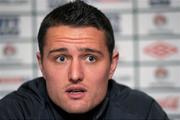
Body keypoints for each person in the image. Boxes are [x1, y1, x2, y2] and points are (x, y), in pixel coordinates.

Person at [0, 0, 169, 120]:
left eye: (90, 58)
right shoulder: (14, 112)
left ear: (112, 65)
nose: (75, 75)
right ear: (41, 64)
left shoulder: (143, 112)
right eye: (61, 58)